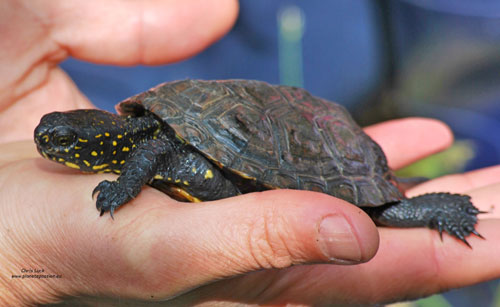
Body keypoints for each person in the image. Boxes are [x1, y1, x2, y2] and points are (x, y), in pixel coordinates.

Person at [1, 1, 500, 305]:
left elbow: (151, 150)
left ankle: (450, 210)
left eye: (63, 141)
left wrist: (124, 187)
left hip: (311, 141)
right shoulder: (149, 136)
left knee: (381, 211)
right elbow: (154, 145)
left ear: (102, 138)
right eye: (54, 136)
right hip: (268, 121)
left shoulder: (150, 143)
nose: (50, 145)